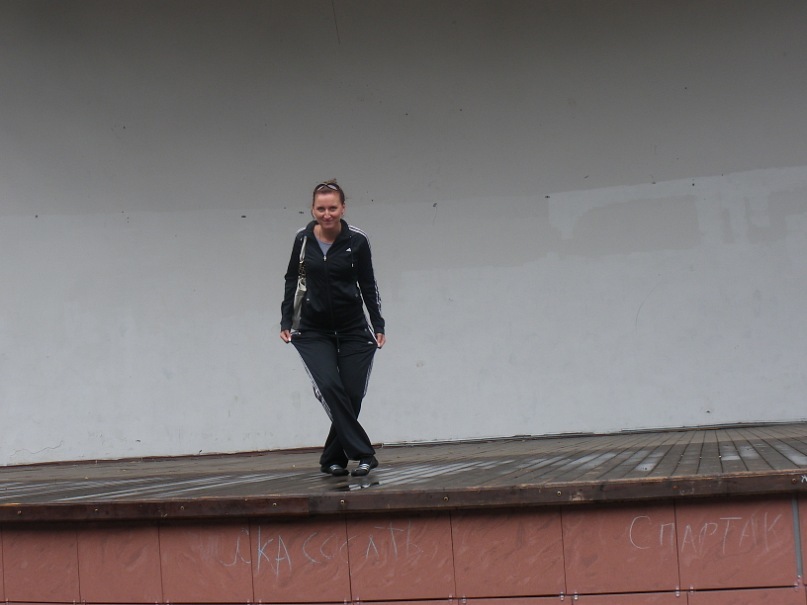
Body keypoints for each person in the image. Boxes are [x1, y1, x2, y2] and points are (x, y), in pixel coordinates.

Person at [280, 180, 386, 477]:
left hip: (353, 328)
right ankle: (364, 454)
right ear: (313, 210)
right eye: (321, 209)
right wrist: (286, 319)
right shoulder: (303, 240)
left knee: (352, 394)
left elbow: (368, 283)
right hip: (313, 330)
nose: (327, 214)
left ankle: (332, 458)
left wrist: (377, 323)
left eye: (332, 208)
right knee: (329, 387)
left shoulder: (357, 240)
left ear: (343, 208)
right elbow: (293, 279)